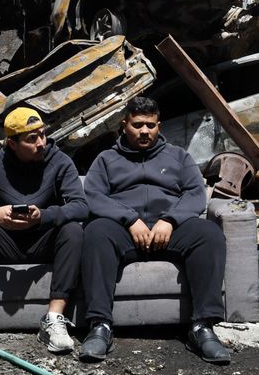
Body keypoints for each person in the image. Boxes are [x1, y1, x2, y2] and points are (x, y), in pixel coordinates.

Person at [79, 96, 230, 364]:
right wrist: (129, 219)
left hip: (169, 230)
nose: (144, 131)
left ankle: (203, 327)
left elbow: (196, 193)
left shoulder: (179, 156)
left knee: (209, 234)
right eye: (137, 125)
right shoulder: (106, 159)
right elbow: (93, 196)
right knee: (95, 232)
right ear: (124, 125)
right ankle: (99, 326)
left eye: (150, 125)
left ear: (159, 125)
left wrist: (171, 220)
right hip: (123, 230)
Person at [0, 107, 88, 354]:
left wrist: (43, 216)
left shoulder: (60, 161)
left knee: (73, 230)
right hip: (6, 241)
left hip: (43, 242)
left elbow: (80, 207)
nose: (41, 143)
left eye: (42, 135)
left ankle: (54, 319)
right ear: (12, 143)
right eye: (31, 139)